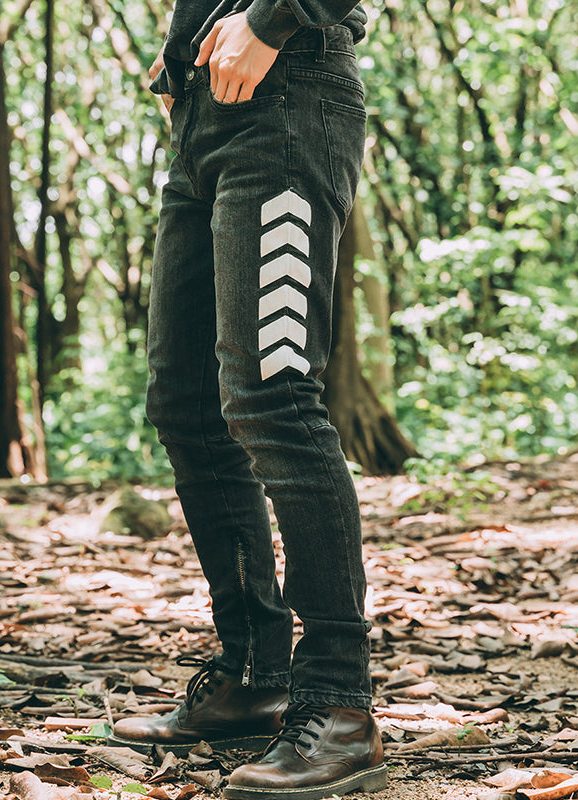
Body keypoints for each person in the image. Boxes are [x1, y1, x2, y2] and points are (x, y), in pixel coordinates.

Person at [110, 1, 386, 797]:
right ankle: (254, 675)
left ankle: (339, 706)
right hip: (202, 123)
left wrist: (272, 18)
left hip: (289, 101)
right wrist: (181, 47)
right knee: (187, 405)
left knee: (273, 397)